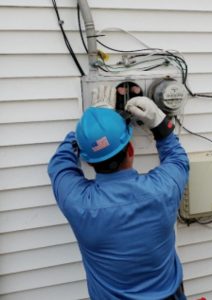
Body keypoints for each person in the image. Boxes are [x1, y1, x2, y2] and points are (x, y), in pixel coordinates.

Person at [48, 95, 189, 300]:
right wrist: (159, 122)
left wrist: (88, 131)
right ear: (130, 149)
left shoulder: (79, 203)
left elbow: (59, 165)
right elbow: (178, 159)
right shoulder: (163, 189)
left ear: (87, 161)